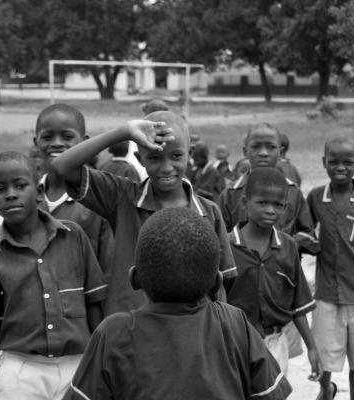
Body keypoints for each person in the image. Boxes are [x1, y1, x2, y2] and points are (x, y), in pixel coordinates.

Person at [65, 207, 292, 400]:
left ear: (134, 278)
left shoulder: (113, 333)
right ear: (217, 282)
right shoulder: (234, 323)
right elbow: (269, 393)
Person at [52, 111, 236, 314]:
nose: (166, 168)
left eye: (176, 156)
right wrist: (124, 131)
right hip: (133, 333)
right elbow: (61, 166)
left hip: (192, 334)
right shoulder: (122, 198)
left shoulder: (209, 212)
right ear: (140, 159)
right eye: (155, 157)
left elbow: (222, 284)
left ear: (190, 154)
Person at [0, 151, 107, 400]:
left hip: (78, 365)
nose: (11, 193)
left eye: (20, 185)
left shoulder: (74, 237)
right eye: (0, 189)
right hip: (20, 369)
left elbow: (94, 305)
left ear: (39, 192)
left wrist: (100, 367)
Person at [225, 167, 323, 381]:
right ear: (244, 203)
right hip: (233, 343)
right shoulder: (226, 247)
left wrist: (312, 348)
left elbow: (298, 304)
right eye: (262, 203)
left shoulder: (288, 247)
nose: (270, 210)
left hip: (275, 343)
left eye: (277, 205)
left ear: (285, 208)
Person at [307, 137, 354, 400]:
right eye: (334, 161)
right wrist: (307, 242)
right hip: (327, 293)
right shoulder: (316, 197)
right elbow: (303, 230)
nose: (340, 167)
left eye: (348, 162)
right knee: (325, 357)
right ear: (323, 163)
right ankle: (325, 390)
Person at [33, 104, 116, 315]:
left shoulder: (99, 201)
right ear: (36, 142)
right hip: (35, 321)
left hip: (84, 322)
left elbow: (109, 270)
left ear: (85, 143)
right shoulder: (26, 198)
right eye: (48, 136)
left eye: (67, 136)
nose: (57, 144)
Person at [218, 122, 319, 255]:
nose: (263, 153)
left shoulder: (293, 193)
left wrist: (285, 245)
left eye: (271, 147)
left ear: (281, 152)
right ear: (245, 151)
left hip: (283, 269)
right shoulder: (230, 195)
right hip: (242, 269)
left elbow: (307, 233)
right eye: (256, 147)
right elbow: (220, 236)